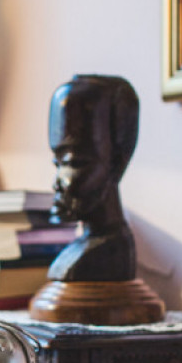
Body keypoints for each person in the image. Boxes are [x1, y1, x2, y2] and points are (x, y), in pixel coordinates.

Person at [47, 75, 139, 282]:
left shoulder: (107, 255)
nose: (56, 183)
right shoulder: (76, 252)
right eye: (57, 164)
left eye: (73, 163)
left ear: (116, 163)